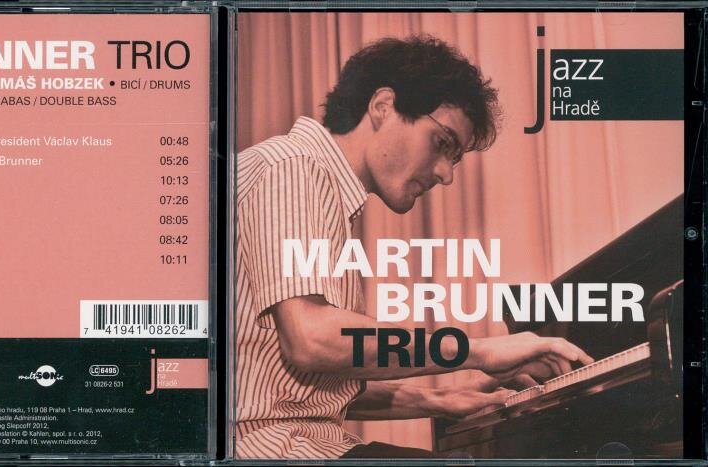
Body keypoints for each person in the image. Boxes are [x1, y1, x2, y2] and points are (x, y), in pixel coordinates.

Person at [234, 35, 594, 459]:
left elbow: (302, 389)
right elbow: (312, 340)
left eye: (454, 158)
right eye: (442, 143)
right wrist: (480, 351)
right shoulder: (292, 168)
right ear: (383, 106)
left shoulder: (314, 185)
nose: (446, 175)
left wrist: (438, 399)